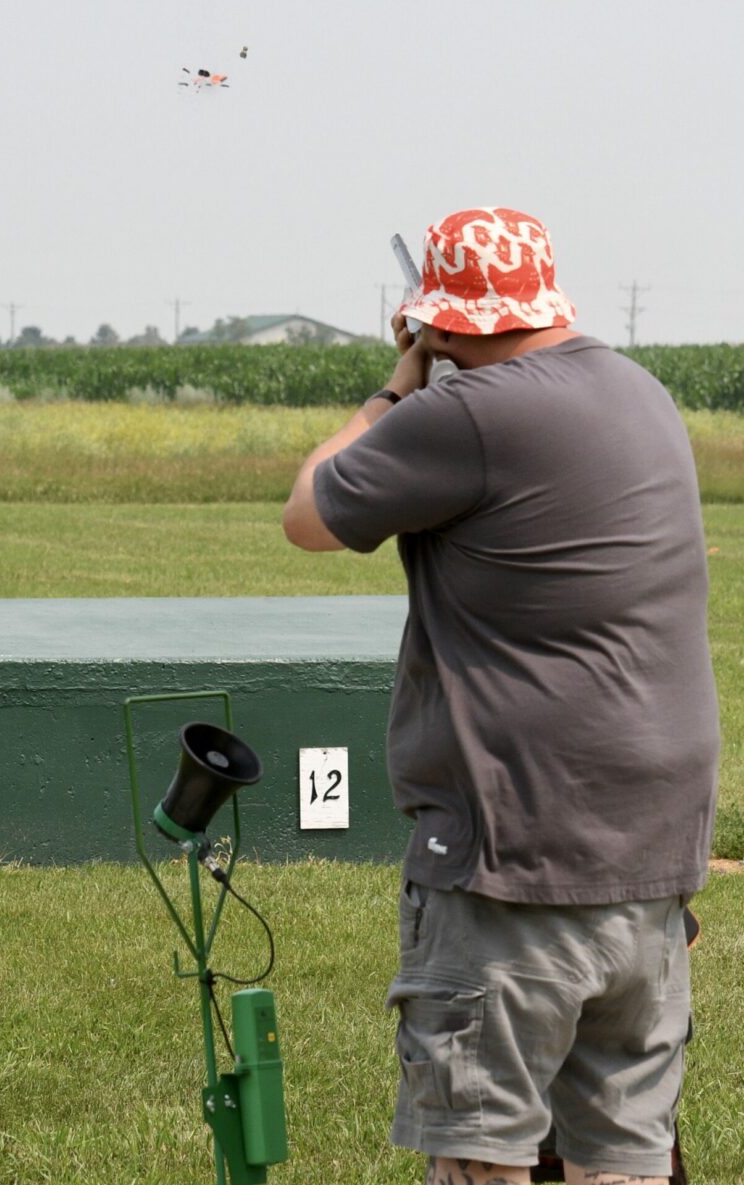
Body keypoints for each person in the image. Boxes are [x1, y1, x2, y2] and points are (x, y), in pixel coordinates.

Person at [282, 206, 719, 1185]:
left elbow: (308, 512)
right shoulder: (641, 394)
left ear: (444, 320)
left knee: (483, 1156)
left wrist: (399, 381)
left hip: (516, 851)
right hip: (652, 855)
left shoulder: (462, 414)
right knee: (626, 1159)